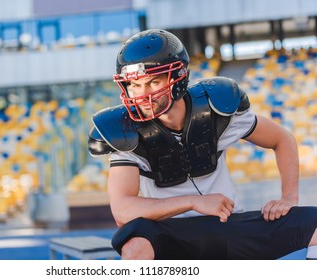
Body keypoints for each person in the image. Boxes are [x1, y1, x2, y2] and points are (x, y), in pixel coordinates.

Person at [88, 29, 317, 260]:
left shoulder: (215, 110)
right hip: (169, 235)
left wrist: (289, 198)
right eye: (135, 85)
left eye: (153, 82)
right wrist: (194, 202)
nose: (143, 94)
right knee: (136, 243)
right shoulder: (125, 130)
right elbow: (122, 210)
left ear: (177, 77)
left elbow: (282, 139)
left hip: (226, 225)